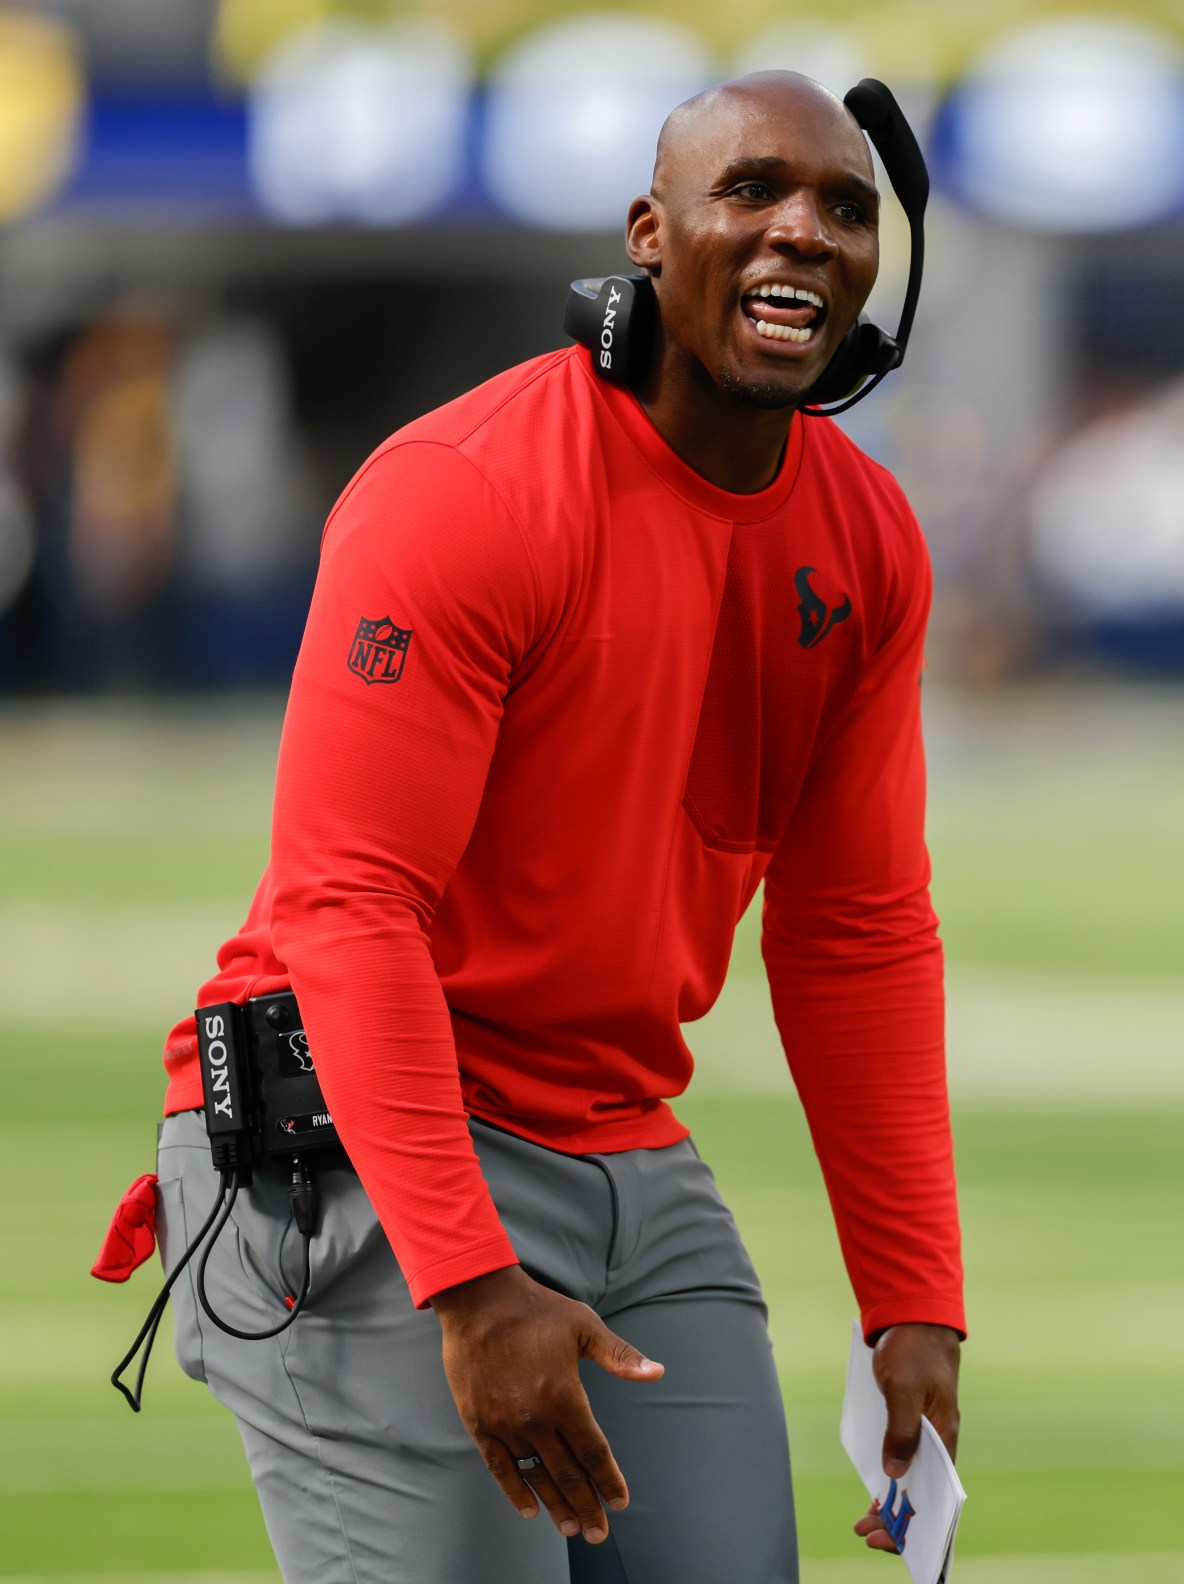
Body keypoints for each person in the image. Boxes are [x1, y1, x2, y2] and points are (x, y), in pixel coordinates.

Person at [139, 72, 961, 1582]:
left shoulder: (868, 537)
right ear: (653, 234)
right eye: (753, 192)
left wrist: (913, 1293)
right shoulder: (466, 491)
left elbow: (856, 930)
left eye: (846, 208)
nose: (804, 231)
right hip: (365, 1143)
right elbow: (347, 907)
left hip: (621, 1144)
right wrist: (464, 1279)